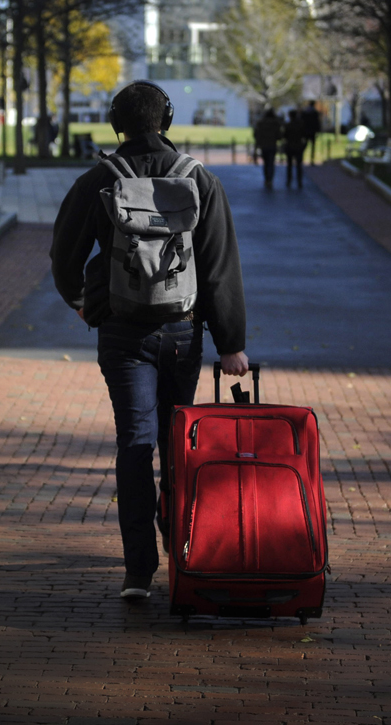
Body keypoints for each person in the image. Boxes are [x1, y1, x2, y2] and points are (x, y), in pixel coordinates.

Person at [51, 80, 249, 600]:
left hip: (121, 333)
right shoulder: (198, 178)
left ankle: (138, 572)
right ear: (168, 119)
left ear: (116, 124)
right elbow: (219, 267)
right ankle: (182, 545)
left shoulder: (100, 179)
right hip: (183, 333)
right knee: (177, 444)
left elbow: (64, 253)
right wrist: (231, 343)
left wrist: (80, 301)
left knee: (134, 445)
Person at [252, 107, 282, 189]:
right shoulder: (275, 123)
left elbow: (256, 134)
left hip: (264, 146)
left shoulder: (261, 123)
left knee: (265, 163)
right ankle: (270, 179)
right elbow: (279, 136)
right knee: (271, 163)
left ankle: (266, 179)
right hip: (272, 145)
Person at [283, 109, 307, 188]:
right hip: (298, 146)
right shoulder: (301, 125)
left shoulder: (288, 125)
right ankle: (299, 181)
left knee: (289, 165)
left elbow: (284, 136)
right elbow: (305, 136)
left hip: (290, 146)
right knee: (298, 165)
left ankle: (289, 180)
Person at [301, 100, 322, 164]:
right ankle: (311, 159)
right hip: (312, 131)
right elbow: (317, 123)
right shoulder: (314, 113)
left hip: (306, 131)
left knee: (305, 145)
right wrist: (318, 130)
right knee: (312, 146)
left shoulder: (305, 112)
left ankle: (302, 158)